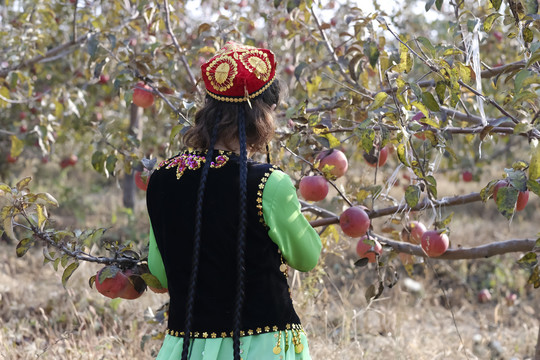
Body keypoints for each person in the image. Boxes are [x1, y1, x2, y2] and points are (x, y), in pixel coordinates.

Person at [146, 41, 322, 360]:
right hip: (262, 347)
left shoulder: (162, 177)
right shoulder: (270, 183)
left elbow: (158, 274)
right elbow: (307, 258)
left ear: (208, 110)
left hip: (187, 346)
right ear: (264, 114)